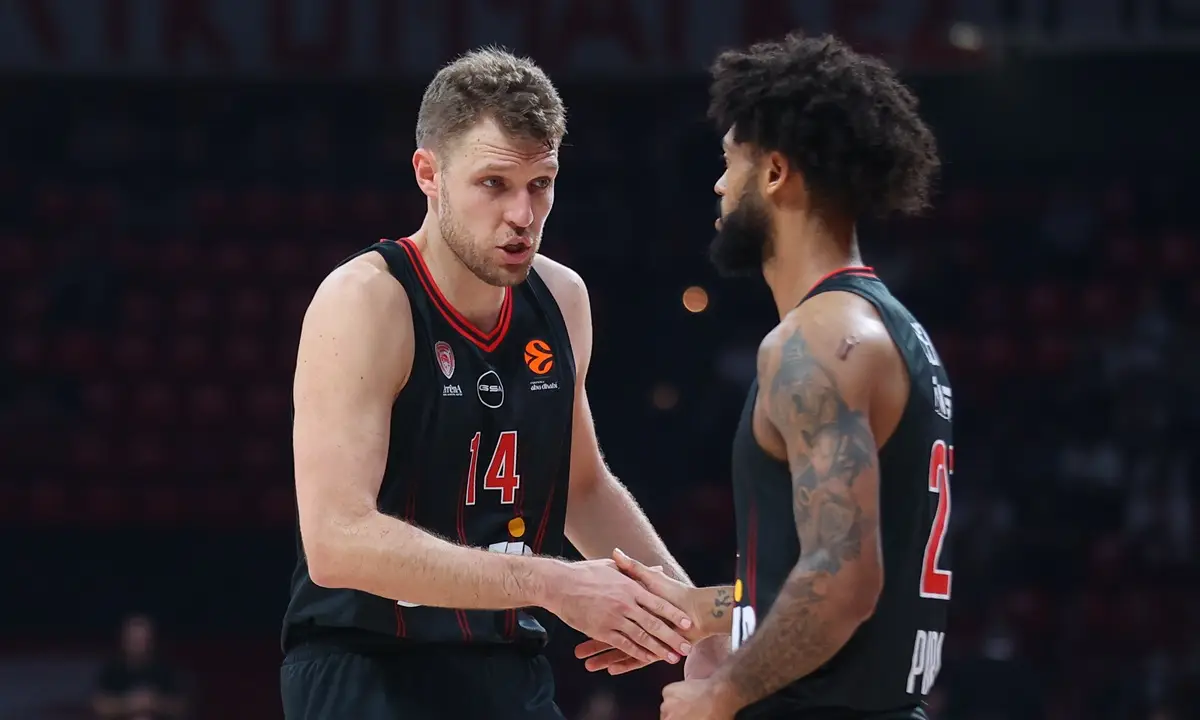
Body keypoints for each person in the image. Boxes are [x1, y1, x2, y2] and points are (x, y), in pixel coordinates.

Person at [280, 47, 696, 720]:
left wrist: (690, 625)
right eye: (494, 184)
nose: (523, 215)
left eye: (541, 184)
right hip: (370, 666)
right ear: (429, 174)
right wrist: (554, 583)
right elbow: (336, 541)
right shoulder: (366, 301)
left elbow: (582, 488)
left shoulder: (562, 299)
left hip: (506, 664)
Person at [575, 32, 950, 720]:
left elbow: (844, 581)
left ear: (775, 172)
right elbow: (840, 573)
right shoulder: (888, 328)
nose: (720, 185)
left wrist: (722, 694)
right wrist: (701, 609)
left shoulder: (817, 340)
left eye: (730, 162)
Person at [92, 614, 188, 720]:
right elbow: (100, 707)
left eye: (142, 638)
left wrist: (155, 703)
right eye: (134, 638)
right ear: (124, 640)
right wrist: (131, 703)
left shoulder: (166, 671)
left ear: (151, 640)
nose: (138, 643)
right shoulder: (111, 671)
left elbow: (180, 708)